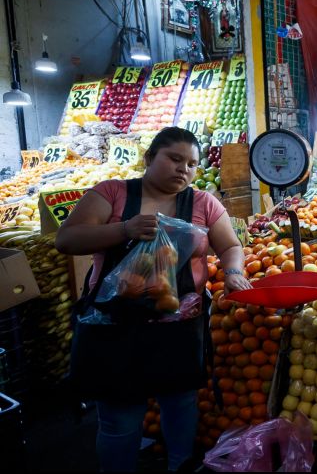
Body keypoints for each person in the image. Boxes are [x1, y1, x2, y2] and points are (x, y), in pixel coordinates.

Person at [56, 127, 251, 471]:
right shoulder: (112, 193)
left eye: (191, 164)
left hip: (178, 328)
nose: (184, 170)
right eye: (174, 159)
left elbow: (231, 246)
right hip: (115, 327)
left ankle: (180, 465)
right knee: (121, 419)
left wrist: (234, 272)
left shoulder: (203, 202)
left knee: (180, 404)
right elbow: (67, 239)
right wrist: (123, 230)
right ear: (149, 158)